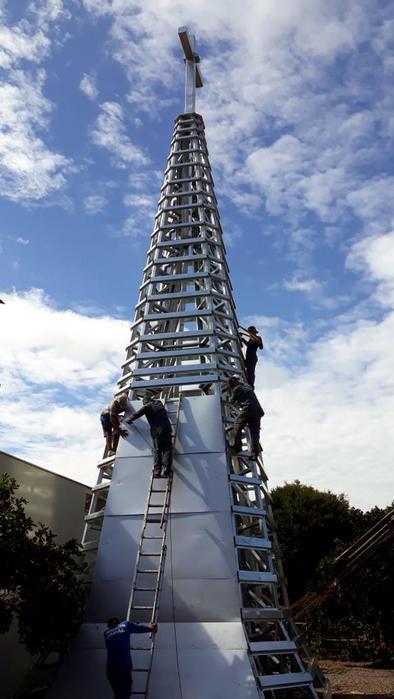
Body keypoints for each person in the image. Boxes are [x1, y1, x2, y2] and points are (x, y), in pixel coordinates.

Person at [104, 617, 157, 699]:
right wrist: (150, 628)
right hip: (123, 667)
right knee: (125, 693)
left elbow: (112, 646)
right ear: (118, 623)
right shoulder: (125, 624)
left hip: (111, 670)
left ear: (109, 626)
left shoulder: (106, 633)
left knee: (119, 695)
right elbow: (139, 628)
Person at [126, 393, 173, 478]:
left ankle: (157, 469)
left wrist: (128, 420)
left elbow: (137, 414)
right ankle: (166, 469)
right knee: (167, 448)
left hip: (157, 430)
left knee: (157, 449)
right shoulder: (159, 403)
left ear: (145, 402)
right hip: (167, 428)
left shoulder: (147, 406)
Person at [227, 376, 264, 460]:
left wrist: (229, 396)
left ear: (234, 383)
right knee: (255, 433)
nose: (232, 387)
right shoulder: (247, 386)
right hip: (257, 411)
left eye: (231, 385)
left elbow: (231, 401)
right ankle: (255, 454)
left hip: (248, 409)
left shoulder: (236, 389)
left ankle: (237, 447)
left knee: (237, 424)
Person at [101, 392, 130, 456]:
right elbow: (112, 419)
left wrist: (119, 430)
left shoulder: (124, 400)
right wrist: (120, 431)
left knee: (117, 432)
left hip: (114, 416)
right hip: (105, 416)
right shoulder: (113, 405)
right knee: (109, 433)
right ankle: (110, 450)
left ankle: (114, 449)